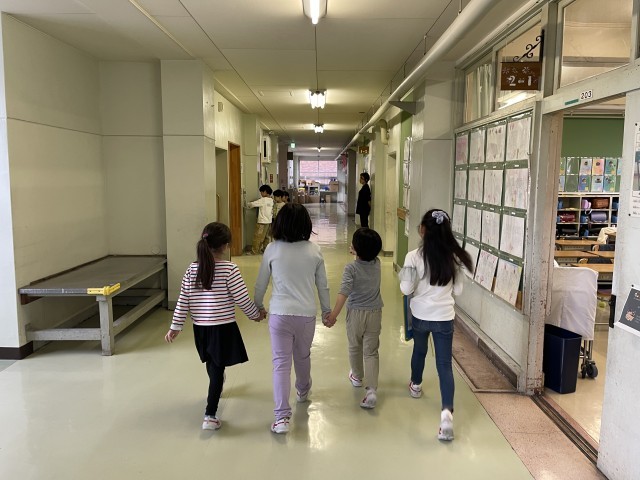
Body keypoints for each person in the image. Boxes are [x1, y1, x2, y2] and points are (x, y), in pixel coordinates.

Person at [164, 222, 264, 431]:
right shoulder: (229, 269)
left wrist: (175, 327)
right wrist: (256, 315)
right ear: (226, 246)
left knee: (212, 364)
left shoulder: (192, 269)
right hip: (222, 327)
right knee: (217, 369)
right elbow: (242, 299)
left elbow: (183, 300)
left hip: (200, 328)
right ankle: (210, 414)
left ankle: (215, 388)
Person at [254, 203, 331, 434]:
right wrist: (327, 311)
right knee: (302, 356)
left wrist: (258, 306)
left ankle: (281, 418)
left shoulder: (272, 249)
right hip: (306, 315)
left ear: (279, 224)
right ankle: (303, 389)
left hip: (279, 315)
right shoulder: (314, 250)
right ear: (306, 225)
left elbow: (261, 283)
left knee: (281, 364)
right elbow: (323, 286)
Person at [398, 209, 472, 441]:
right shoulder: (455, 258)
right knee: (444, 365)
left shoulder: (413, 257)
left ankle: (416, 385)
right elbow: (458, 290)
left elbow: (405, 289)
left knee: (419, 350)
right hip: (444, 317)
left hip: (420, 315)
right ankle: (447, 414)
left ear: (422, 230)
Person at [324, 227, 383, 409]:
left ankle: (357, 376)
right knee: (371, 351)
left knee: (355, 346)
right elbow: (367, 256)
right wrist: (358, 251)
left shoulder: (351, 269)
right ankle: (371, 391)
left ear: (356, 249)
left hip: (356, 313)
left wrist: (333, 316)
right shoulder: (378, 263)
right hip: (375, 313)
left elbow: (344, 293)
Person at [246, 184, 274, 255]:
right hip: (269, 222)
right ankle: (265, 249)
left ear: (265, 192)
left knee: (257, 237)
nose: (261, 194)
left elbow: (252, 204)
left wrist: (247, 204)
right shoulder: (271, 200)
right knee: (266, 237)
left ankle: (254, 251)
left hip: (262, 222)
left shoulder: (263, 200)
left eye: (261, 192)